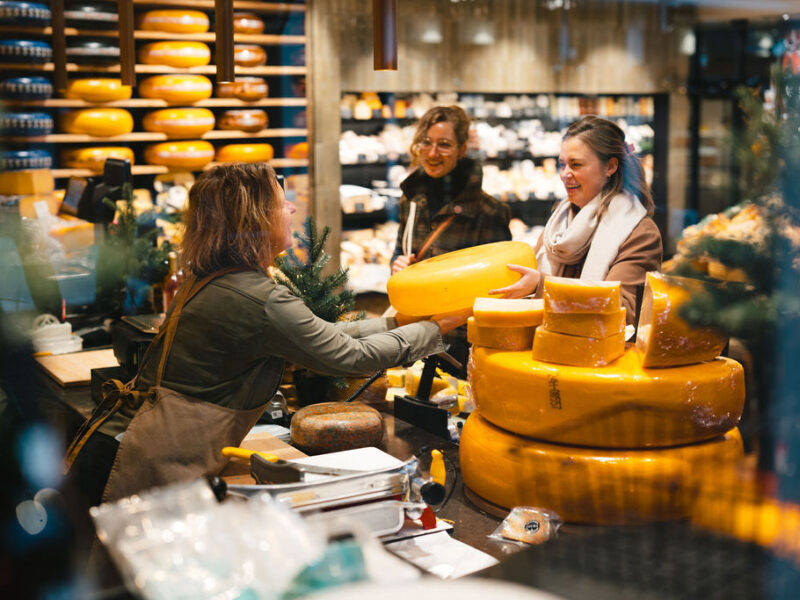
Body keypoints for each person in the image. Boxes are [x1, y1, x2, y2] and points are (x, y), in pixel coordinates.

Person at [68, 162, 469, 507]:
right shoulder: (256, 297)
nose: (292, 207)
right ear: (255, 219)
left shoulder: (217, 277)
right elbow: (349, 356)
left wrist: (396, 324)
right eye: (281, 203)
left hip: (128, 443)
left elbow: (326, 334)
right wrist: (433, 329)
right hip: (142, 465)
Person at [490, 116, 662, 322]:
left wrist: (541, 286)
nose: (565, 174)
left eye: (576, 165)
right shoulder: (558, 223)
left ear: (610, 167)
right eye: (562, 164)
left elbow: (622, 308)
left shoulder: (639, 233)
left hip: (602, 352)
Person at [391, 105, 511, 273]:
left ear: (461, 150)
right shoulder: (411, 199)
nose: (432, 153)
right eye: (426, 142)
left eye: (444, 144)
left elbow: (499, 278)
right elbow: (400, 251)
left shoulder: (489, 213)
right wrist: (397, 266)